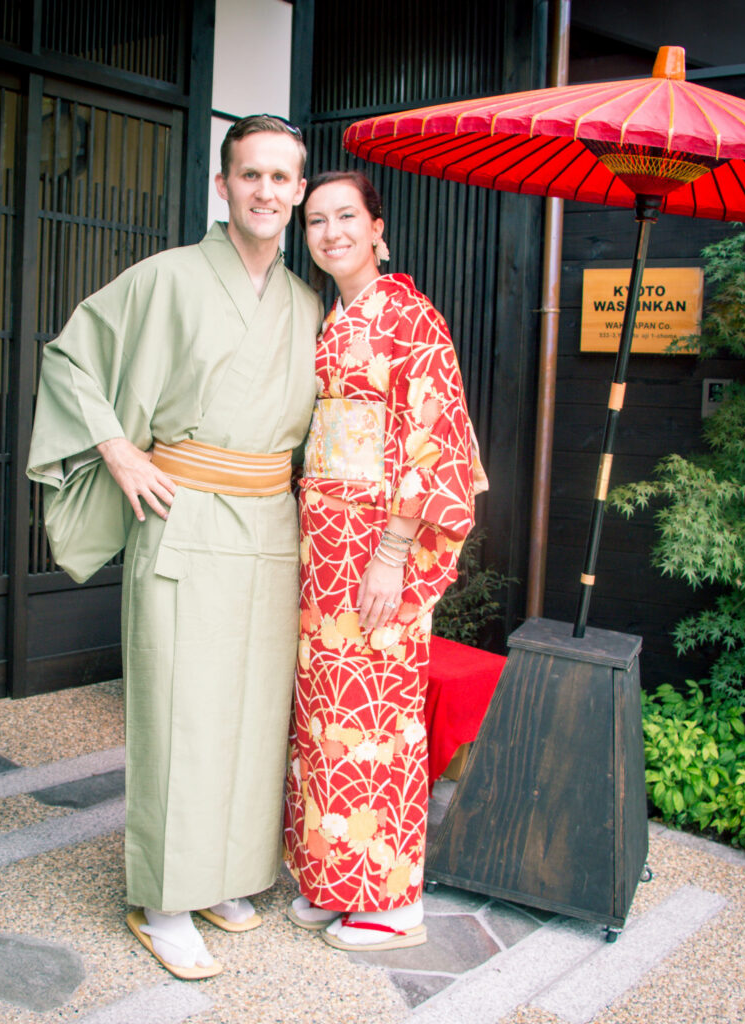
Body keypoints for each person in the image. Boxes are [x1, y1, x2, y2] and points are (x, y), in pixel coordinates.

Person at [27, 115, 323, 979]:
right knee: (180, 709)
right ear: (223, 186)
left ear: (299, 191)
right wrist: (118, 449)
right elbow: (69, 359)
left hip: (271, 521)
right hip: (184, 511)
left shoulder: (307, 304)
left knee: (256, 706)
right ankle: (163, 899)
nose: (266, 191)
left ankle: (227, 875)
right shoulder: (165, 278)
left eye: (281, 177)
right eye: (250, 175)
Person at [282, 171, 487, 951]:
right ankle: (335, 880)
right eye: (316, 222)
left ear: (377, 229)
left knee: (377, 720)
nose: (330, 232)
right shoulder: (333, 318)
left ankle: (394, 898)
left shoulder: (410, 315)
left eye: (345, 218)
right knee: (327, 719)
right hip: (323, 546)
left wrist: (394, 554)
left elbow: (440, 445)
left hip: (377, 547)